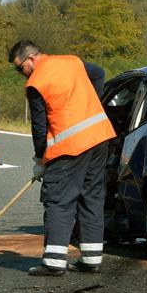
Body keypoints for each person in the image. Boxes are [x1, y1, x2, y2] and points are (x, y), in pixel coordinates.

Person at [9, 40, 116, 276]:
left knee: (58, 199)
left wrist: (40, 160)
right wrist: (93, 104)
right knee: (92, 197)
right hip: (99, 138)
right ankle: (91, 259)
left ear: (31, 59)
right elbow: (99, 74)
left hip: (69, 146)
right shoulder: (72, 61)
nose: (21, 74)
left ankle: (55, 262)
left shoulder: (36, 82)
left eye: (20, 68)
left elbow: (39, 127)